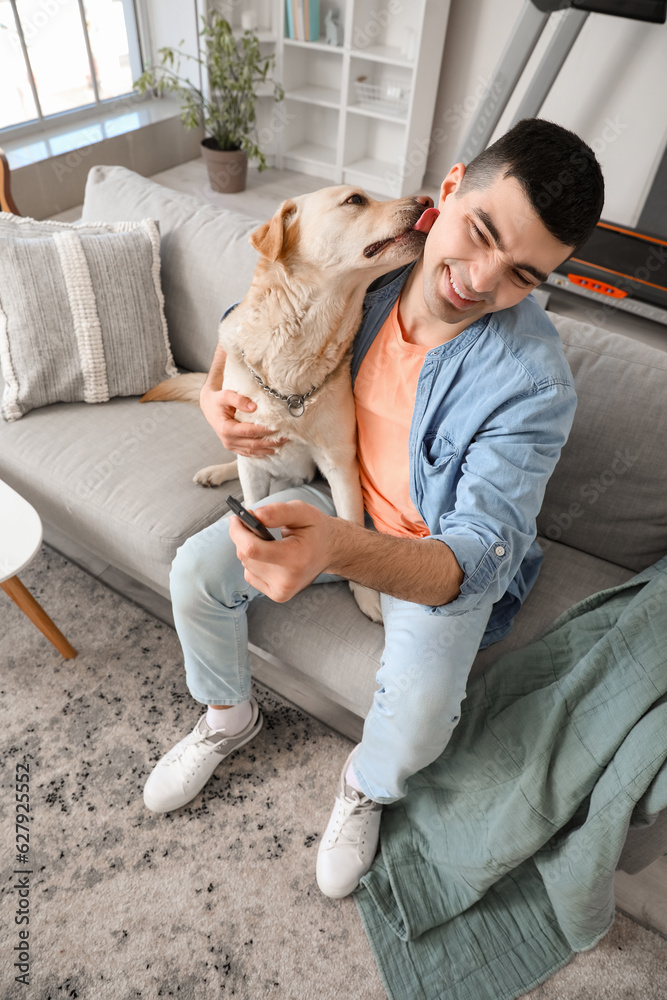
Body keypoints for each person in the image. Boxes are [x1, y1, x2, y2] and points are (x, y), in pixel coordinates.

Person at [143, 118, 605, 899]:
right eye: (479, 230)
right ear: (448, 189)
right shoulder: (379, 261)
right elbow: (254, 310)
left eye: (522, 274)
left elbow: (478, 554)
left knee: (424, 711)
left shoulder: (534, 383)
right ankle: (227, 715)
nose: (477, 281)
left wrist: (338, 549)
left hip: (432, 552)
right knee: (195, 570)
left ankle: (366, 784)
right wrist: (217, 397)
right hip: (333, 500)